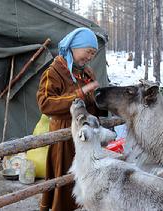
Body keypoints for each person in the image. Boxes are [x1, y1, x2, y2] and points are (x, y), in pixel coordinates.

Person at [37, 27, 107, 211]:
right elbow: (45, 103)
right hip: (65, 134)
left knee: (86, 178)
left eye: (93, 53)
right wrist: (79, 93)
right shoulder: (54, 71)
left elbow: (90, 100)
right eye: (88, 51)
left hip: (86, 135)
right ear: (75, 47)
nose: (90, 56)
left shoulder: (86, 72)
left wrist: (99, 99)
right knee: (66, 179)